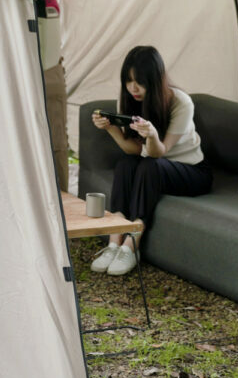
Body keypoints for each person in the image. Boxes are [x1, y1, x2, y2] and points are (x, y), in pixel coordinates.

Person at [90, 46, 212, 275]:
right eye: (128, 81)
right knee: (125, 163)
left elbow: (159, 152)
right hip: (155, 164)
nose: (133, 88)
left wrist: (153, 135)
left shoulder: (181, 103)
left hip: (192, 171)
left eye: (140, 82)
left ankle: (132, 245)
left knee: (149, 166)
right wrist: (111, 129)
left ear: (155, 80)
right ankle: (114, 242)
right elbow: (132, 149)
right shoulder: (129, 99)